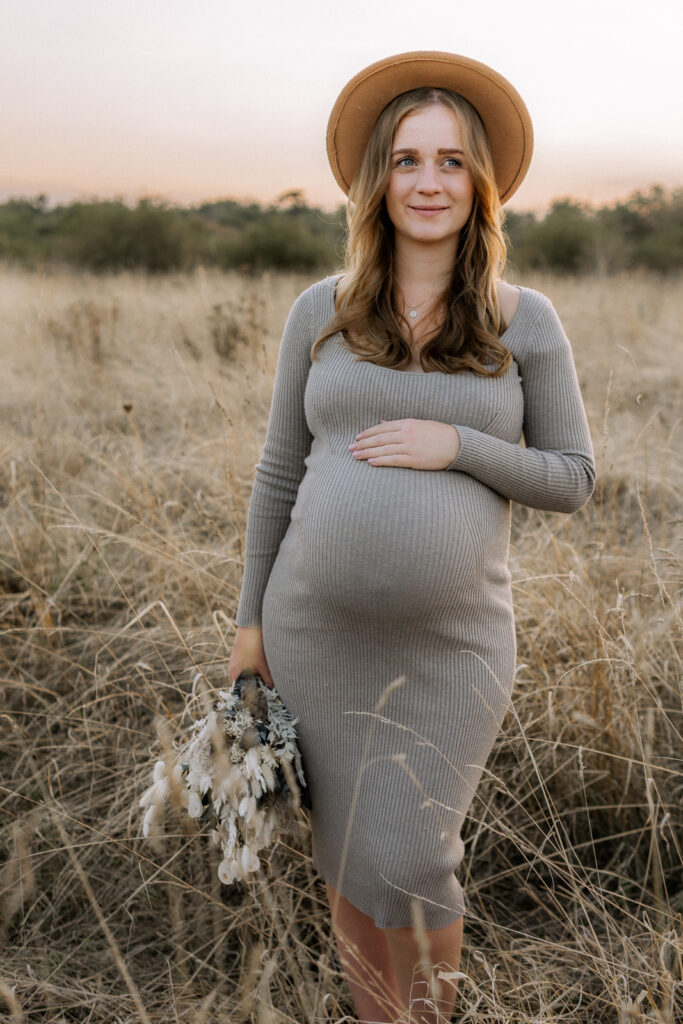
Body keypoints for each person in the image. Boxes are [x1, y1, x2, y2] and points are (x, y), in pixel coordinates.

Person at [228, 51, 595, 1024]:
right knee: (348, 853)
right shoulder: (321, 309)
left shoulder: (526, 322)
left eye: (446, 161)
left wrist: (458, 444)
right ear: (374, 181)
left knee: (418, 860)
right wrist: (246, 629)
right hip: (312, 634)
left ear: (478, 182)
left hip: (450, 650)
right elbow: (276, 473)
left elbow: (572, 478)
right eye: (404, 160)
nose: (426, 182)